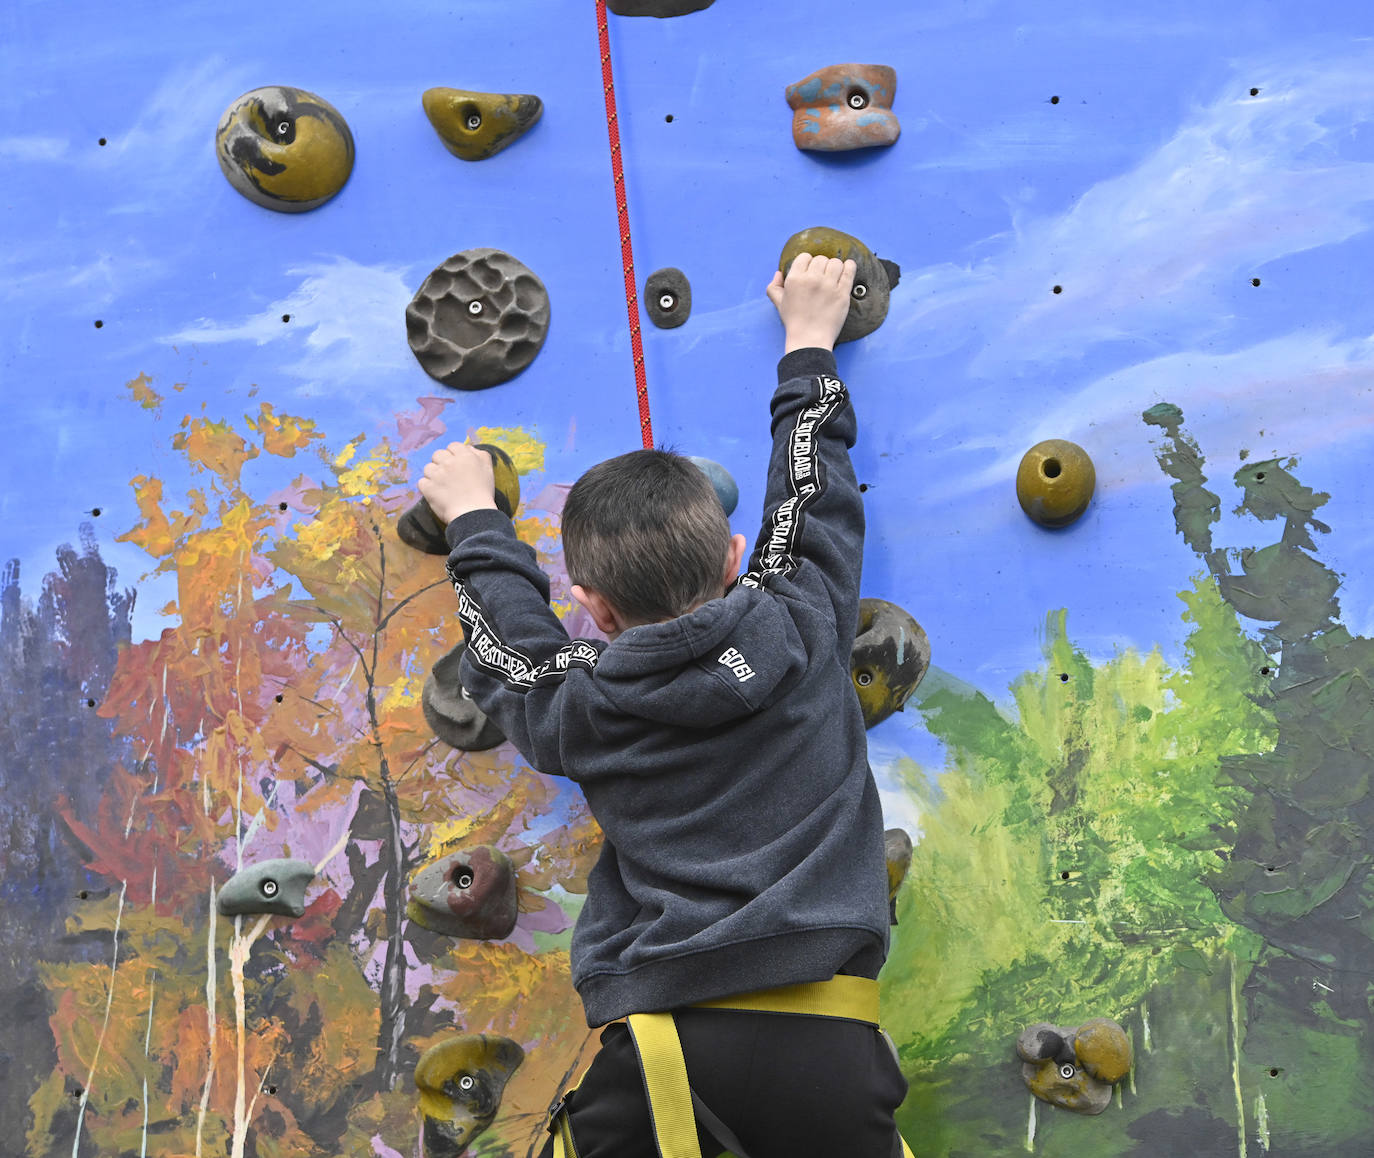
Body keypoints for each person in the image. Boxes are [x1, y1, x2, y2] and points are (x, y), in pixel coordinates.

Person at [418, 253, 909, 1157]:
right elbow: (811, 495)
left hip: (661, 1059)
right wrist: (808, 342)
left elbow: (505, 644)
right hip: (832, 1047)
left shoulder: (580, 701)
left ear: (593, 607)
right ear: (732, 556)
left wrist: (473, 518)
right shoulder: (801, 623)